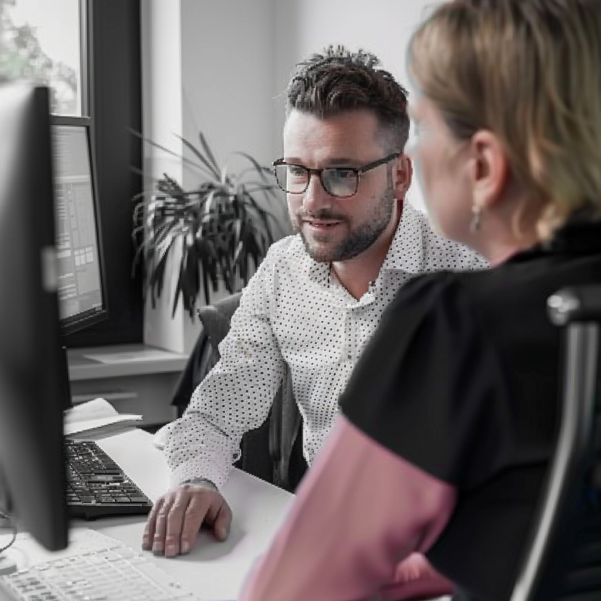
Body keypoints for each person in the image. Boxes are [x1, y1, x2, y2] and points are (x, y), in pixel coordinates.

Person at [236, 1, 601, 601]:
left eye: (426, 126)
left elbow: (290, 592)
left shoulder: (455, 323)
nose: (419, 155)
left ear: (483, 165)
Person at [143, 45, 485, 584]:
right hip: (323, 548)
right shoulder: (282, 270)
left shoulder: (468, 282)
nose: (311, 200)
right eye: (298, 171)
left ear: (399, 176)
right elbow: (213, 415)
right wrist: (198, 481)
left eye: (342, 174)